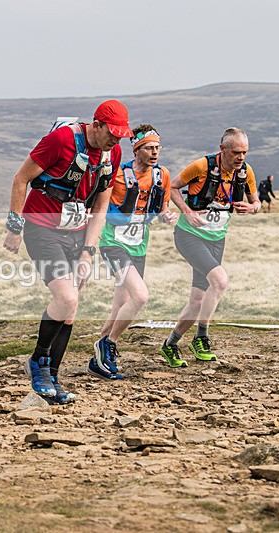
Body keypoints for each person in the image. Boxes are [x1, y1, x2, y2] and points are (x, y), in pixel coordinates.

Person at [2, 100, 130, 404]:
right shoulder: (60, 140)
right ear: (96, 125)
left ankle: (53, 378)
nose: (115, 139)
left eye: (120, 135)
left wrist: (88, 250)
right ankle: (38, 362)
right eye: (111, 133)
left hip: (77, 234)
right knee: (66, 297)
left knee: (70, 311)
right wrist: (14, 226)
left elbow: (100, 204)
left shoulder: (113, 152)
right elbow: (21, 178)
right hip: (41, 227)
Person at [159, 128, 260, 367]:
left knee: (197, 300)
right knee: (220, 280)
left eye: (244, 152)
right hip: (189, 235)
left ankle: (170, 344)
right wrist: (187, 212)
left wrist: (252, 208)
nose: (241, 157)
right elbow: (172, 188)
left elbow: (255, 201)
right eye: (236, 152)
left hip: (217, 238)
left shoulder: (245, 172)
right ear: (222, 149)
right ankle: (202, 337)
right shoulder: (201, 166)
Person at [90, 125, 178, 380]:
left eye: (157, 148)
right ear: (136, 149)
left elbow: (161, 208)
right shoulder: (117, 174)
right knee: (140, 297)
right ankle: (109, 344)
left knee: (121, 303)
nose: (154, 153)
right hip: (113, 242)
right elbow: (99, 205)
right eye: (149, 148)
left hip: (139, 244)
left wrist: (167, 216)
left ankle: (98, 359)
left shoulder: (163, 176)